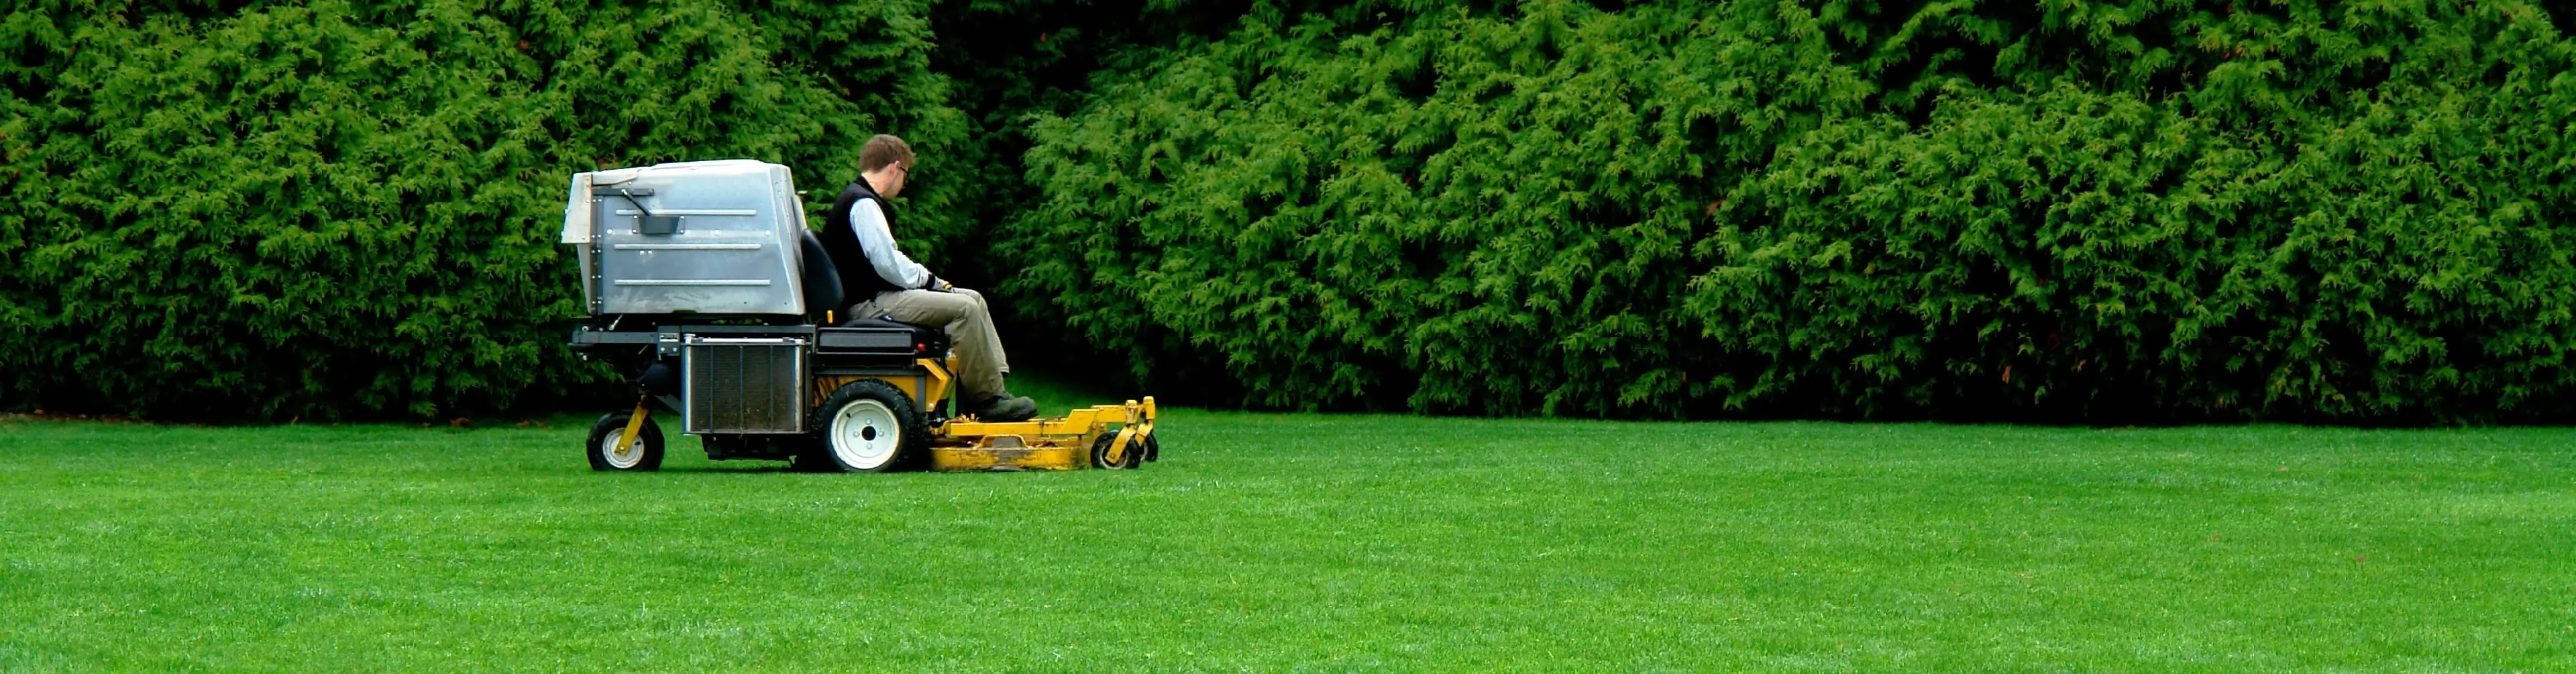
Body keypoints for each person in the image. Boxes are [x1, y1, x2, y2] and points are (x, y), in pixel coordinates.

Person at [820, 134, 1039, 422]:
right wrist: (930, 281)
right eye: (905, 176)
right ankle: (986, 401)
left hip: (878, 297)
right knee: (964, 308)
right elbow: (888, 263)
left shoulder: (858, 199)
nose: (904, 183)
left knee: (973, 298)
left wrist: (928, 281)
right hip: (868, 304)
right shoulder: (863, 204)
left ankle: (994, 388)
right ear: (895, 168)